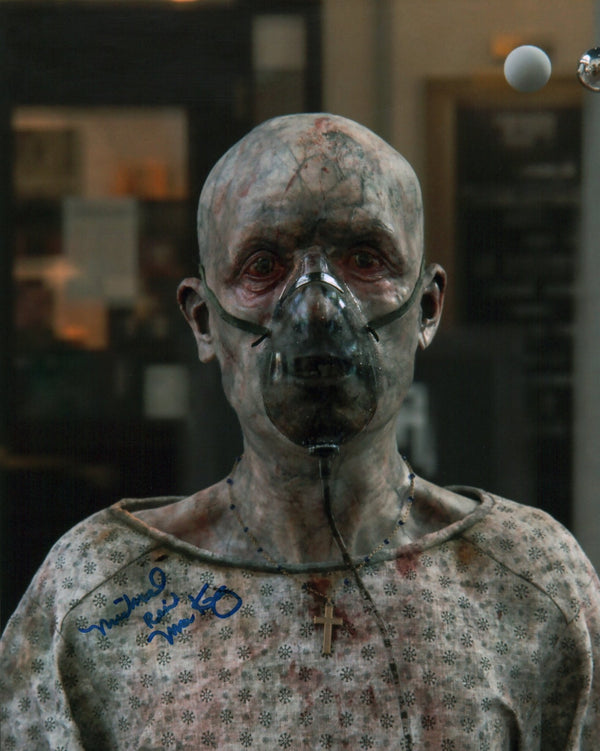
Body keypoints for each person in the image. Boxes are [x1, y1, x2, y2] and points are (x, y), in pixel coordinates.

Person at [1, 113, 598, 750]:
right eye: (263, 265)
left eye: (364, 258)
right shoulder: (94, 594)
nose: (316, 309)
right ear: (204, 320)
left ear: (426, 307)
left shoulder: (530, 583)